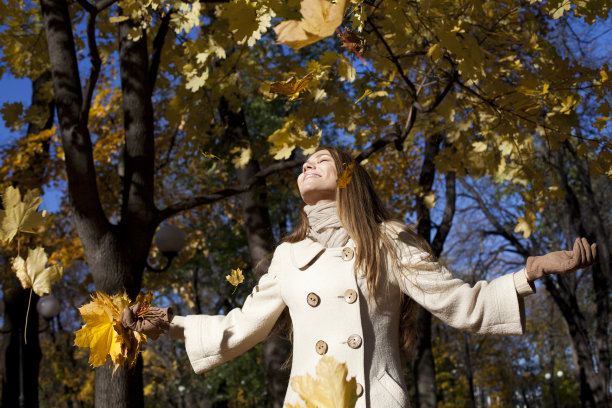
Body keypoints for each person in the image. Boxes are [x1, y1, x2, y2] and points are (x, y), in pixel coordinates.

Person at [121, 147, 597, 407]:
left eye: (322, 159)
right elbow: (241, 326)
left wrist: (528, 272)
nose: (308, 162)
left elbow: (461, 303)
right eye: (305, 161)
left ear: (348, 177)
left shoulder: (387, 240)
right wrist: (170, 322)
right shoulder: (287, 257)